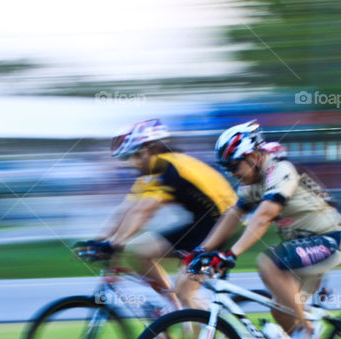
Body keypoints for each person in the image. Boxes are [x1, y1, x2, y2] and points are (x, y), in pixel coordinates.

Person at [189, 120, 341, 339]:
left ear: (254, 156)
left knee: (268, 262)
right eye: (226, 168)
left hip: (331, 239)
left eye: (234, 166)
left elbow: (265, 215)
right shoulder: (253, 182)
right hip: (305, 246)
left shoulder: (280, 170)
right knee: (282, 311)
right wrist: (201, 250)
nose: (232, 173)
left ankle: (307, 337)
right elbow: (233, 214)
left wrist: (230, 255)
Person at [86, 118, 238, 312]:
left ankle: (204, 337)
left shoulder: (170, 168)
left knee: (186, 291)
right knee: (140, 251)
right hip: (202, 224)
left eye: (135, 155)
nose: (131, 163)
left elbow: (143, 212)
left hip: (222, 226)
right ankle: (173, 309)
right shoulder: (154, 172)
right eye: (127, 158)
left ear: (150, 148)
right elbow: (127, 209)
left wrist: (114, 244)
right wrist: (100, 240)